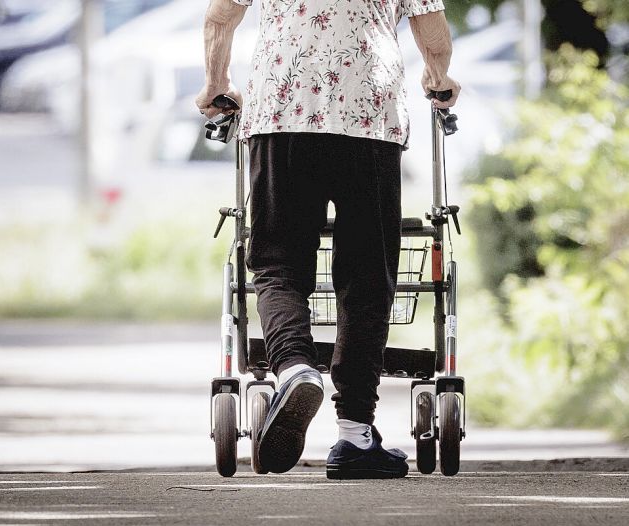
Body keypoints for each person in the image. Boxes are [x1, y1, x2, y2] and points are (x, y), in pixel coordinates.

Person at [197, 0, 460, 478]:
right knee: (366, 275)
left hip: (282, 112)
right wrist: (437, 77)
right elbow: (431, 29)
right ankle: (355, 435)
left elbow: (219, 17)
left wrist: (217, 84)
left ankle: (294, 366)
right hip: (368, 117)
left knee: (277, 263)